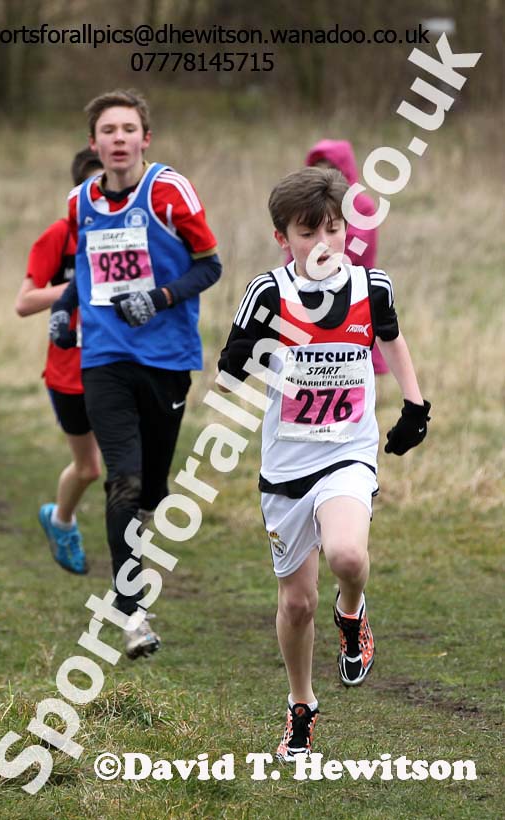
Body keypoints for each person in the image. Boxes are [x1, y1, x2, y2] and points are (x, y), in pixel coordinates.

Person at [218, 167, 430, 761]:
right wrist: (245, 355)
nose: (323, 243)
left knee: (347, 556)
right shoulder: (268, 293)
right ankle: (301, 704)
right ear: (283, 238)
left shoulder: (372, 286)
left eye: (333, 230)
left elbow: (390, 337)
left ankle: (352, 611)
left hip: (347, 451)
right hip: (287, 464)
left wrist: (415, 405)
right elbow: (231, 372)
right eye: (307, 233)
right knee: (296, 603)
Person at [50, 89, 221, 659]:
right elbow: (86, 266)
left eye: (128, 129)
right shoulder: (80, 201)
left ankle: (136, 549)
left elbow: (211, 266)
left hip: (166, 359)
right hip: (104, 358)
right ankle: (131, 614)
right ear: (94, 143)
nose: (118, 139)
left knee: (149, 489)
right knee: (121, 479)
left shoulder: (169, 191)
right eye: (108, 130)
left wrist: (160, 297)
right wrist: (64, 309)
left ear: (145, 138)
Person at [15, 148, 103, 575]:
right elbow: (25, 302)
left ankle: (134, 554)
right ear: (78, 194)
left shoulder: (138, 233)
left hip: (120, 365)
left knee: (134, 465)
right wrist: (80, 286)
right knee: (88, 469)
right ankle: (61, 520)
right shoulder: (59, 235)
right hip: (69, 373)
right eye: (95, 188)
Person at [303, 138, 388, 375]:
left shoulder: (361, 206)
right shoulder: (307, 206)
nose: (325, 175)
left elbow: (355, 250)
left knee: (357, 358)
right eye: (318, 169)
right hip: (310, 293)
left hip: (352, 292)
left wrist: (320, 264)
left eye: (331, 168)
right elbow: (294, 251)